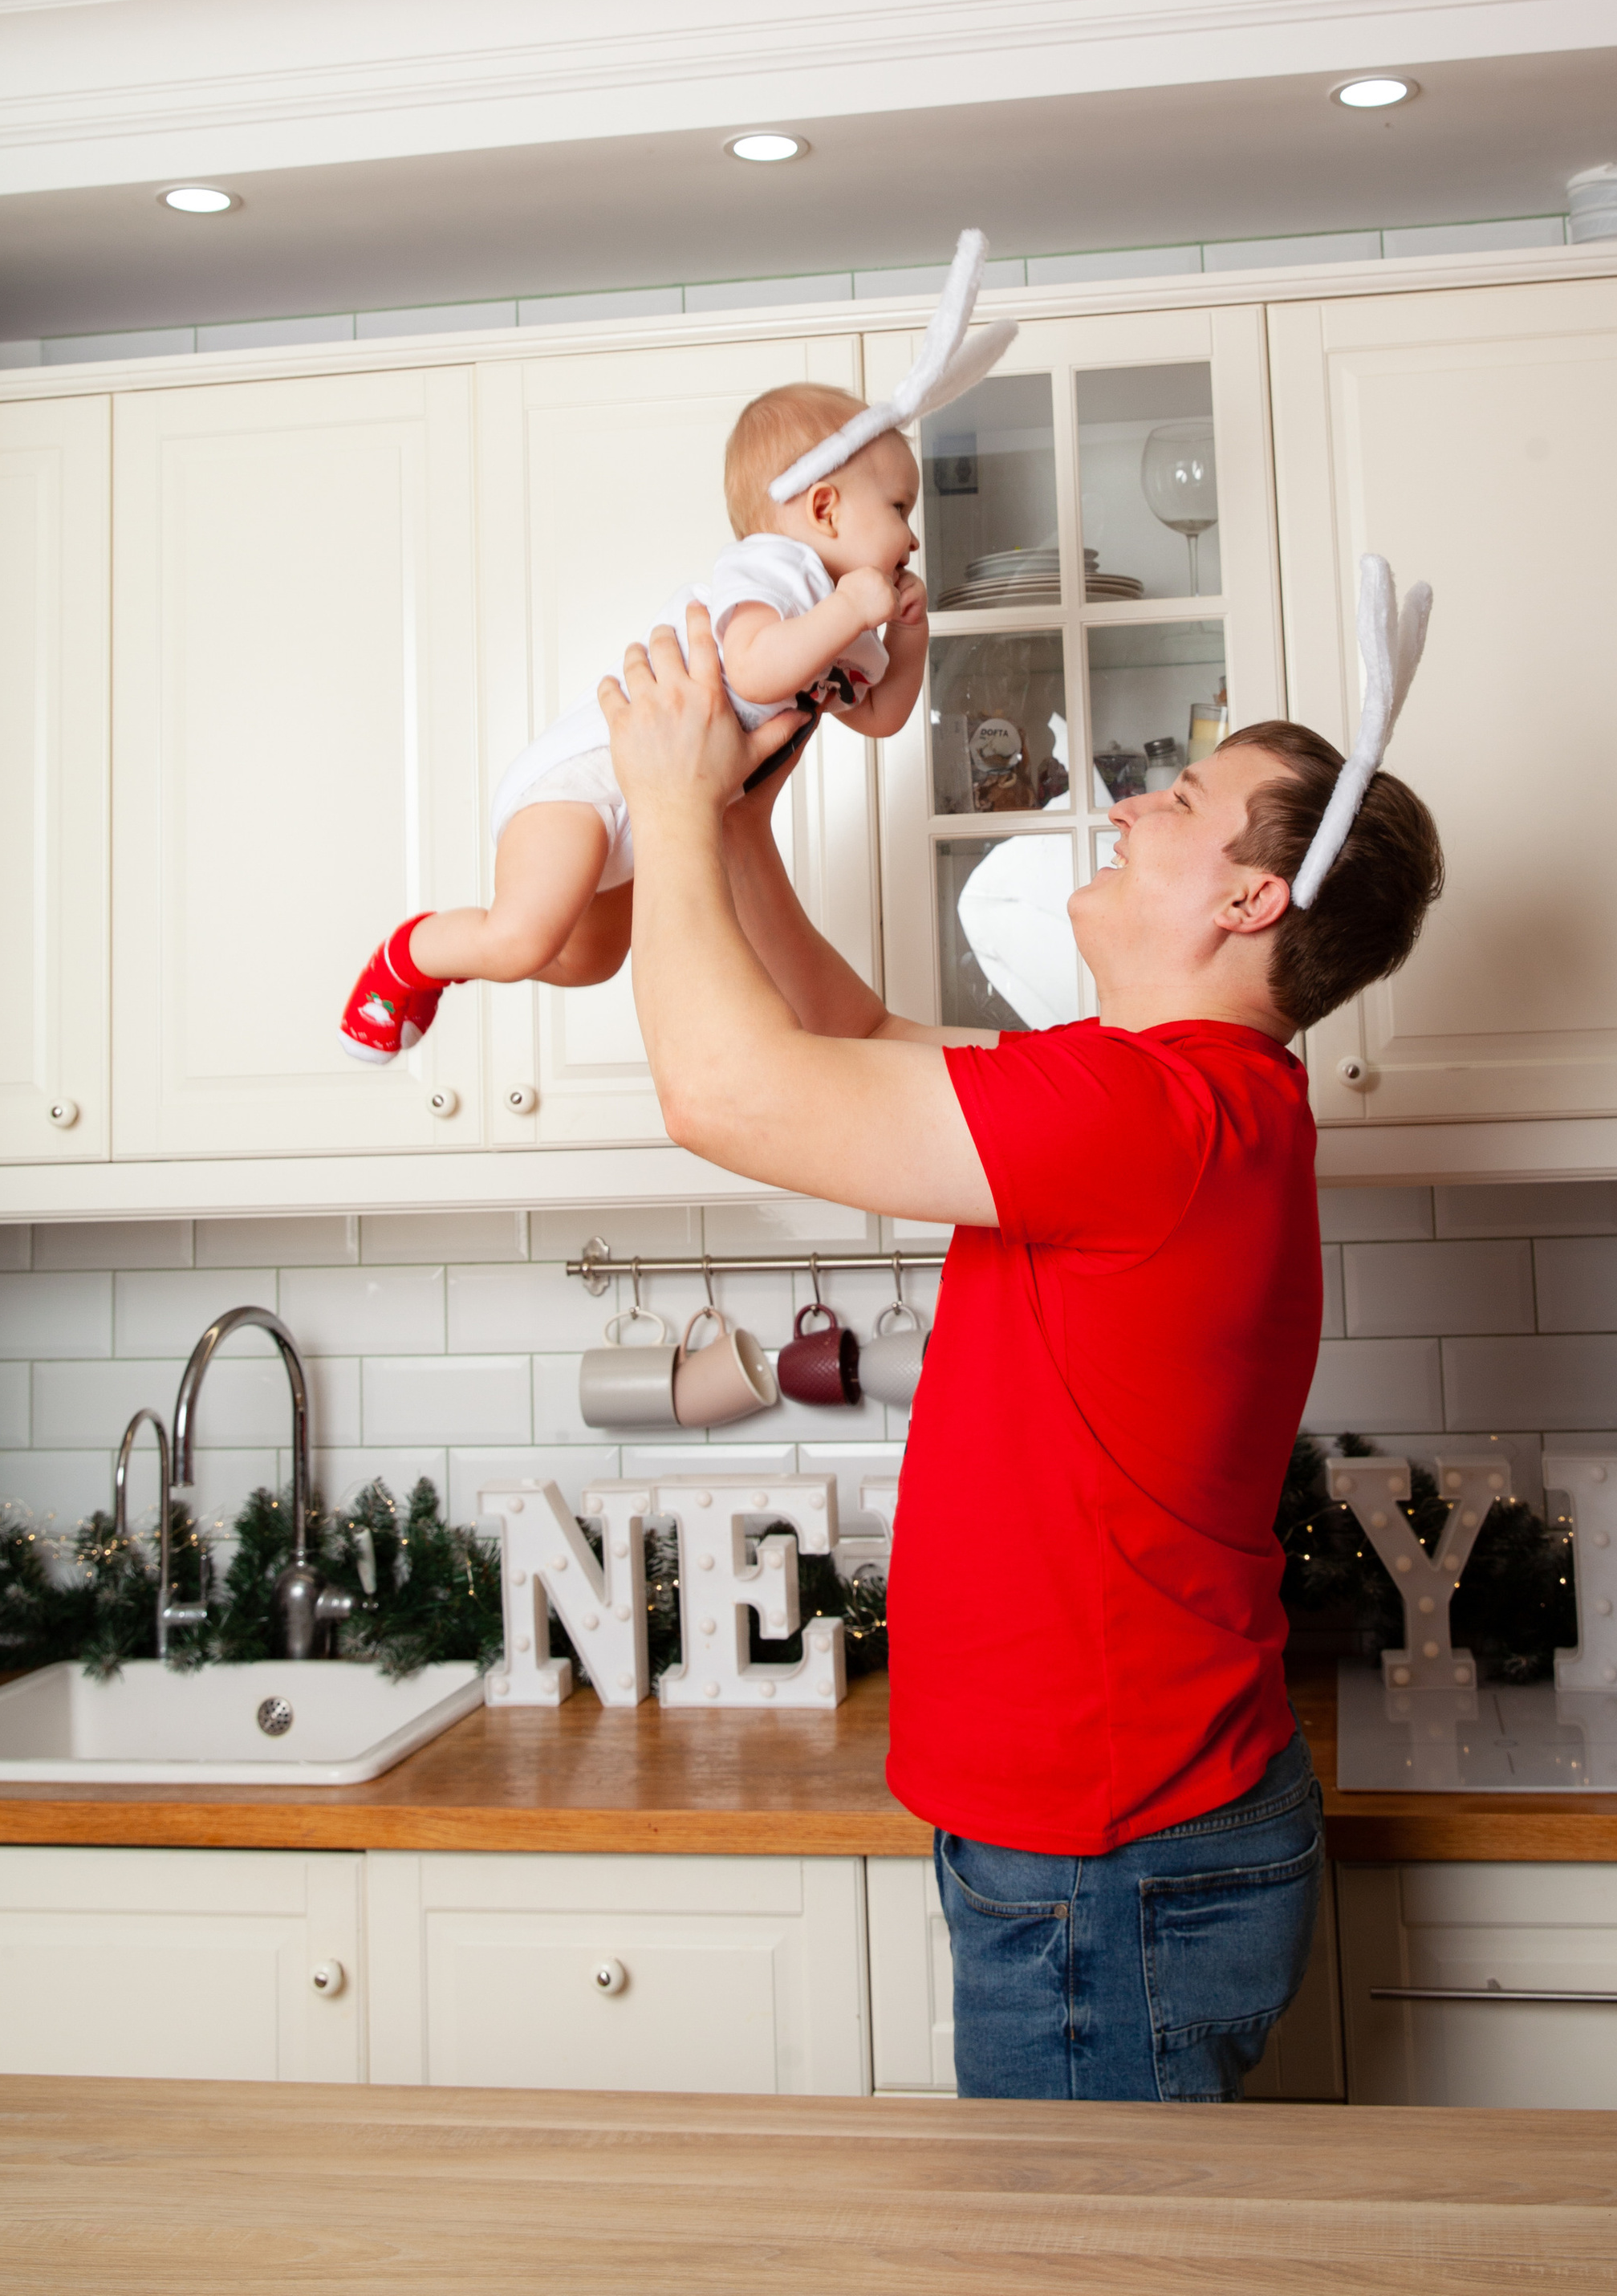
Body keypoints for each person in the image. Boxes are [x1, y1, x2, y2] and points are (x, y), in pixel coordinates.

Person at [599, 603, 1444, 2103]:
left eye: (1177, 803)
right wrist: (734, 824)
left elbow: (724, 1092)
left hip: (1110, 1856)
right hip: (1106, 1837)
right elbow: (844, 1029)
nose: (1126, 803)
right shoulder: (1167, 1096)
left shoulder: (1155, 1122)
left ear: (1250, 901)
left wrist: (661, 803)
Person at [335, 386, 928, 1063]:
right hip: (584, 783)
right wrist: (852, 608)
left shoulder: (836, 620)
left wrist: (907, 636)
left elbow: (881, 717)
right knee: (523, 939)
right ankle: (415, 954)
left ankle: (471, 950)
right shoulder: (774, 569)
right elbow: (758, 669)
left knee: (586, 962)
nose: (912, 538)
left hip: (654, 812)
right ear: (824, 508)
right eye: (899, 509)